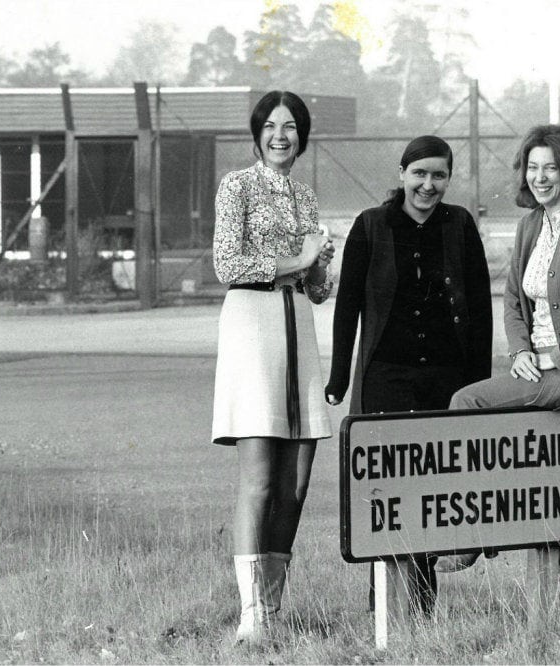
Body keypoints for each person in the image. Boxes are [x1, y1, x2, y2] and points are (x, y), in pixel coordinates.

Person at [438, 124, 560, 612]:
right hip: (537, 366)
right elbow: (511, 297)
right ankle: (558, 591)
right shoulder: (530, 224)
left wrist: (558, 355)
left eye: (551, 167)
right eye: (533, 167)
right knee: (546, 471)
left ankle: (475, 533)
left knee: (467, 402)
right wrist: (520, 350)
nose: (541, 177)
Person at [325, 135, 493, 614]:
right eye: (419, 173)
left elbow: (480, 310)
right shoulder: (371, 225)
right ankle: (384, 601)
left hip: (446, 377)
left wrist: (477, 386)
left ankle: (419, 603)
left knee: (433, 490)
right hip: (387, 377)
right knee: (387, 490)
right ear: (402, 174)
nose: (428, 184)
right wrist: (339, 376)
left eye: (439, 175)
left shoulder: (459, 225)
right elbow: (348, 307)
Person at [211, 90, 336, 643]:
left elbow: (317, 290)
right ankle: (248, 619)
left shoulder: (306, 197)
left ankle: (273, 609)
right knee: (260, 481)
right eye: (269, 125)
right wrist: (299, 259)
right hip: (251, 323)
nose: (279, 135)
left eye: (289, 126)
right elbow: (226, 262)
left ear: (302, 135)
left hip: (297, 327)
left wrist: (320, 264)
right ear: (256, 132)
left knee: (297, 482)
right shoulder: (236, 185)